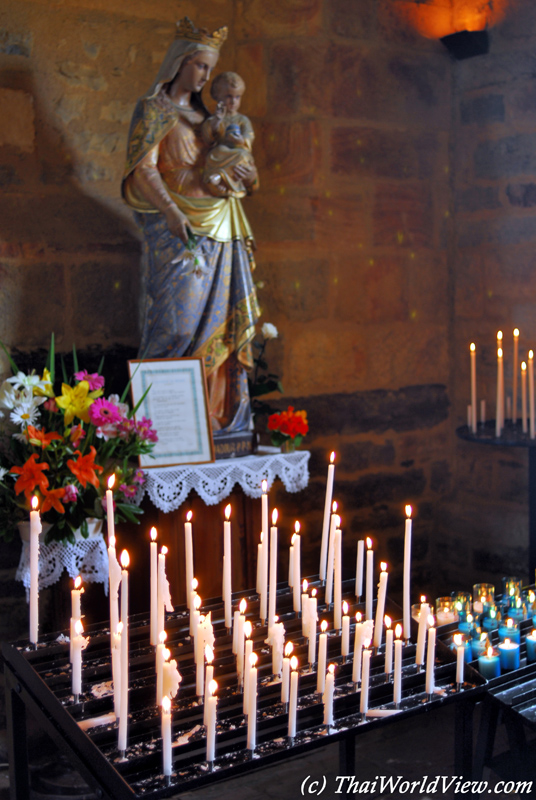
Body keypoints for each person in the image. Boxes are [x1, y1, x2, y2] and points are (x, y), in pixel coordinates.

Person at [122, 18, 260, 435]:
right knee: (177, 324)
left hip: (221, 221)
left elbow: (231, 161)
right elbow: (144, 169)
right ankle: (157, 427)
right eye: (200, 65)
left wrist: (245, 171)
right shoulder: (153, 109)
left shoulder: (208, 117)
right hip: (178, 224)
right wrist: (169, 211)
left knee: (221, 320)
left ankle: (215, 420)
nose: (205, 76)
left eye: (209, 68)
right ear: (180, 62)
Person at [201, 71, 257, 198]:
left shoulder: (242, 120)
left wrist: (241, 140)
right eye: (228, 96)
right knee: (216, 152)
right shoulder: (215, 119)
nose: (233, 101)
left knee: (242, 156)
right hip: (222, 152)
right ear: (217, 97)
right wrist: (217, 121)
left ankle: (222, 178)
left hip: (238, 152)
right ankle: (220, 178)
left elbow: (249, 137)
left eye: (237, 97)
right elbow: (208, 139)